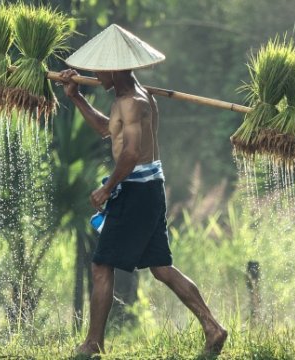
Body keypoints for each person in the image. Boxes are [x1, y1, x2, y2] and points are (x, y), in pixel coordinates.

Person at [56, 24, 227, 357]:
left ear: (114, 67)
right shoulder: (129, 98)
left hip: (137, 190)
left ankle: (93, 343)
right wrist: (76, 96)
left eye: (99, 67)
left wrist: (108, 187)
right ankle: (213, 327)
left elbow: (132, 154)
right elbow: (109, 130)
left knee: (101, 265)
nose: (94, 72)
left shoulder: (134, 101)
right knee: (161, 268)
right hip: (147, 188)